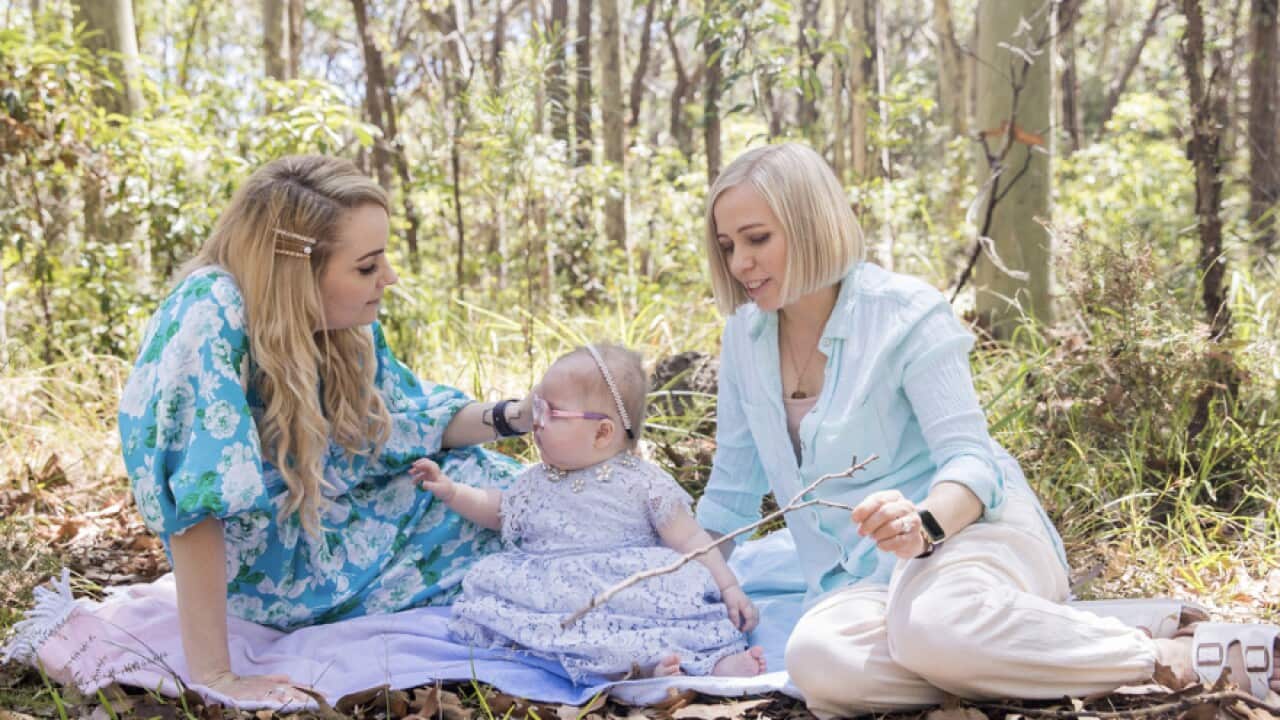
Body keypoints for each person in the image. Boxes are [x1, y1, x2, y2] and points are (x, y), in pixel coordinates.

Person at [694, 142, 1280, 716]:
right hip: (858, 583)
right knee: (820, 663)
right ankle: (1037, 639)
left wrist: (921, 524)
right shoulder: (743, 340)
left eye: (757, 239)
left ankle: (1171, 656)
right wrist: (655, 581)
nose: (740, 262)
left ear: (812, 224)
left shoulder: (905, 313)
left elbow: (970, 460)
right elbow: (729, 498)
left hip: (967, 536)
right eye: (727, 246)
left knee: (933, 627)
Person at [117, 156, 535, 705]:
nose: (388, 279)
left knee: (514, 489)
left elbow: (409, 419)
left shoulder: (342, 328)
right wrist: (216, 674)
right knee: (514, 529)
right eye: (366, 267)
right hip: (281, 568)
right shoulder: (211, 309)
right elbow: (196, 501)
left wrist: (520, 415)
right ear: (296, 272)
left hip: (343, 511)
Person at [410, 343, 767, 680]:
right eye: (536, 408)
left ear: (602, 433)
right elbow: (500, 509)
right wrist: (453, 491)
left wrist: (729, 586)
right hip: (556, 593)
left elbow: (690, 538)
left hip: (627, 589)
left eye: (551, 412)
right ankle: (630, 669)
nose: (536, 421)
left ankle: (713, 661)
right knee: (506, 598)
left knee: (676, 606)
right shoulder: (536, 480)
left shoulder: (642, 482)